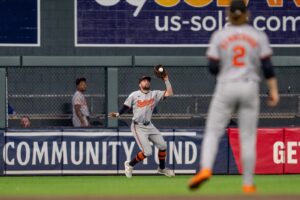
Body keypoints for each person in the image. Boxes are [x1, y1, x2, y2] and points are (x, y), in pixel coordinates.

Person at [188, 0, 279, 194]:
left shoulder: (220, 35)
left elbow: (212, 67)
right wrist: (274, 91)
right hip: (250, 86)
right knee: (247, 137)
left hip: (226, 86)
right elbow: (268, 68)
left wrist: (228, 69)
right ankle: (247, 183)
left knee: (212, 132)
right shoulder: (258, 35)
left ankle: (205, 168)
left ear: (228, 14)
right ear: (247, 15)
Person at [109, 73, 175, 178]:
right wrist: (117, 114)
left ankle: (162, 169)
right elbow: (126, 106)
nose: (147, 82)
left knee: (163, 146)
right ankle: (130, 165)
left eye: (148, 80)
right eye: (144, 80)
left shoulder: (154, 94)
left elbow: (170, 93)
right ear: (140, 84)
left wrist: (166, 79)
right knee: (147, 152)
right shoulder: (134, 95)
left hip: (149, 125)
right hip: (138, 126)